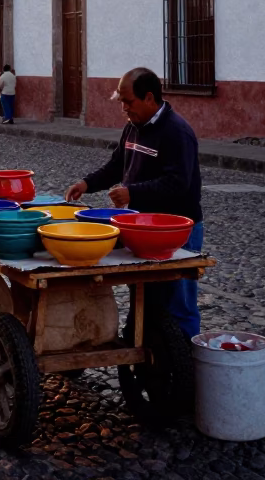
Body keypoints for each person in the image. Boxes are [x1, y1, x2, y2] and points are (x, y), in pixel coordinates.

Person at [65, 68, 204, 339]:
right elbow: (117, 165)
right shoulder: (133, 126)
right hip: (143, 228)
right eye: (121, 102)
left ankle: (184, 368)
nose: (123, 108)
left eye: (128, 102)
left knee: (179, 305)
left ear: (149, 98)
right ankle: (144, 352)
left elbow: (178, 184)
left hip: (177, 231)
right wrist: (87, 184)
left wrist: (132, 193)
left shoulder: (177, 132)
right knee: (145, 296)